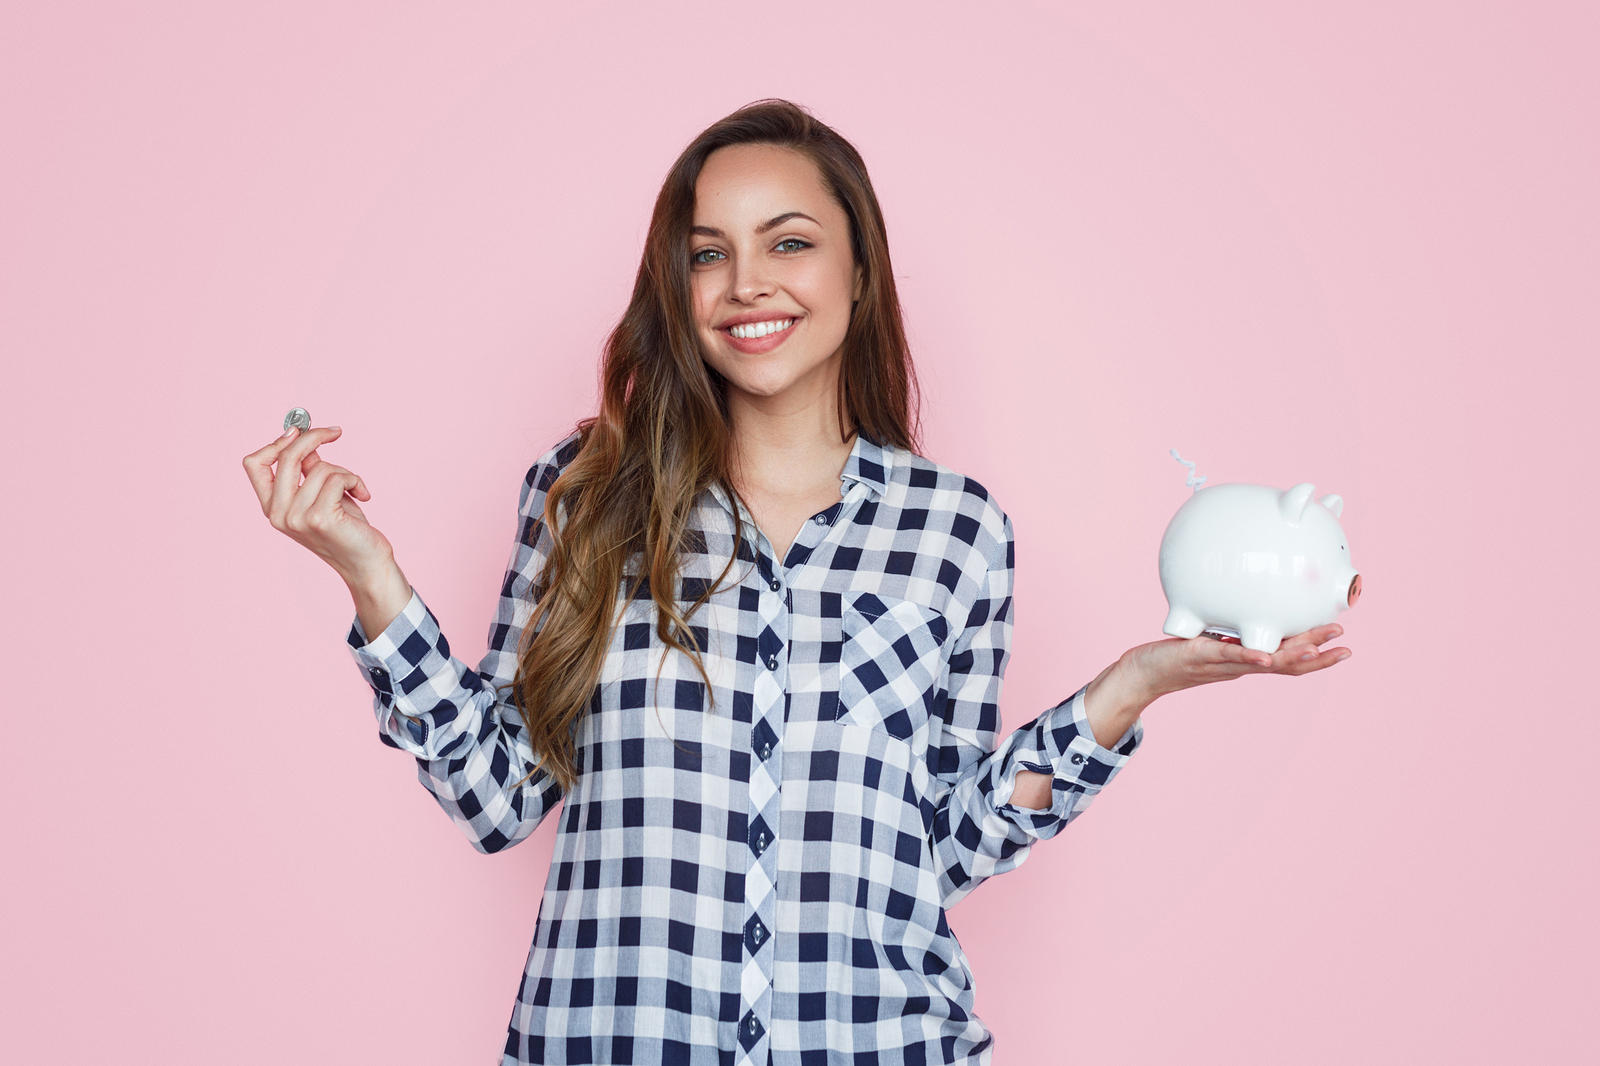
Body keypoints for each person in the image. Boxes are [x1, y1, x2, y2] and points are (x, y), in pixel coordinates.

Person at [242, 100, 1348, 1066]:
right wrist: (367, 572)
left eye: (789, 242)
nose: (746, 283)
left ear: (859, 271)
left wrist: (1133, 684)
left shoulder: (954, 532)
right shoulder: (585, 496)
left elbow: (945, 844)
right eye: (705, 252)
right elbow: (497, 796)